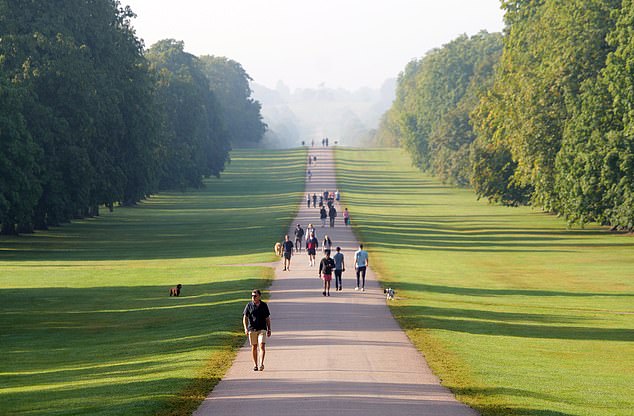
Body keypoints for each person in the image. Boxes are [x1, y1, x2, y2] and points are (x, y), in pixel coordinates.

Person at [243, 289, 271, 371]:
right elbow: (245, 317)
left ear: (259, 296)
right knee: (254, 347)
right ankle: (255, 364)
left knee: (262, 345)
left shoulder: (264, 305)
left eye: (255, 296)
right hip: (252, 329)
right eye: (252, 296)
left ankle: (261, 363)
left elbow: (267, 318)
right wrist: (245, 328)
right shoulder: (249, 305)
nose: (253, 297)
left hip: (262, 328)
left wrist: (269, 329)